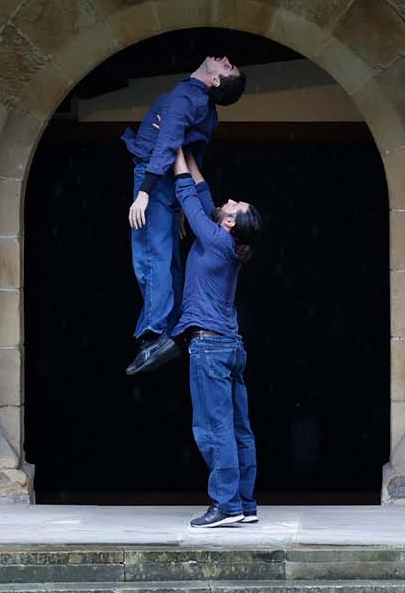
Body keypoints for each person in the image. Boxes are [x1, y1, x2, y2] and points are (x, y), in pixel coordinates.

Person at [122, 57, 247, 376]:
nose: (225, 61)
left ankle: (154, 334)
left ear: (216, 81)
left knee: (151, 256)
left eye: (227, 67)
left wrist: (145, 191)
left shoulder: (187, 97)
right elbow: (192, 157)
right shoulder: (207, 110)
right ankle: (166, 328)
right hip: (172, 181)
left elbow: (168, 143)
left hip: (154, 172)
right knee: (167, 259)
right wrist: (179, 204)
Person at [171, 147, 263, 529]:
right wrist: (189, 154)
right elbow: (205, 196)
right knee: (239, 427)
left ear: (228, 223)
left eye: (233, 205)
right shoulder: (225, 238)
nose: (227, 200)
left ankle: (225, 504)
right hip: (231, 346)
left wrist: (173, 146)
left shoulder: (213, 238)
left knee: (214, 427)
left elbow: (188, 198)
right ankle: (243, 502)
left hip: (209, 347)